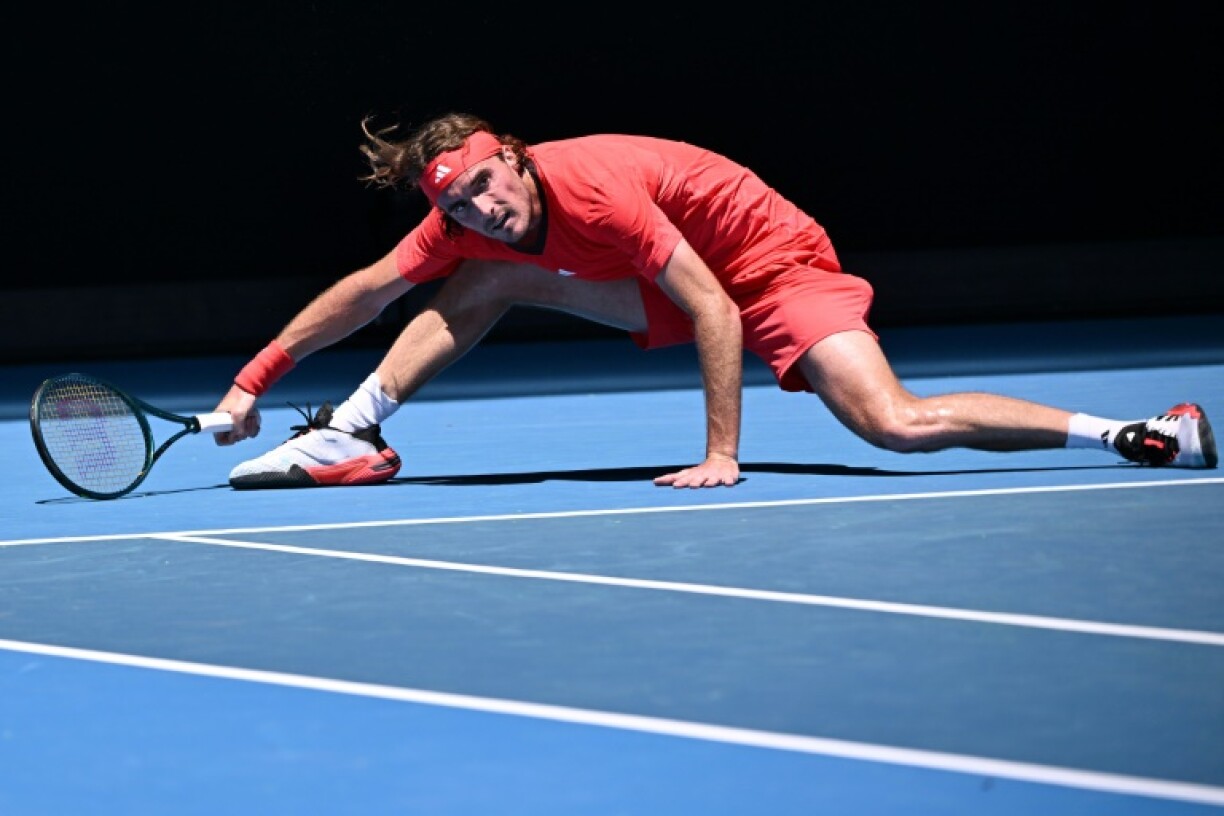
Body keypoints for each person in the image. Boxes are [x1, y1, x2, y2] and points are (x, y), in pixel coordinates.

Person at [213, 112, 1217, 489]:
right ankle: (351, 430)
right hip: (686, 280)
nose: (483, 208)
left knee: (897, 426)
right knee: (486, 275)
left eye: (486, 185)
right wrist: (253, 381)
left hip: (772, 270)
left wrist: (722, 454)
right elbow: (365, 292)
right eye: (460, 204)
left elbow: (715, 307)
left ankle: (1139, 432)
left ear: (514, 158)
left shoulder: (596, 187)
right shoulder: (472, 229)